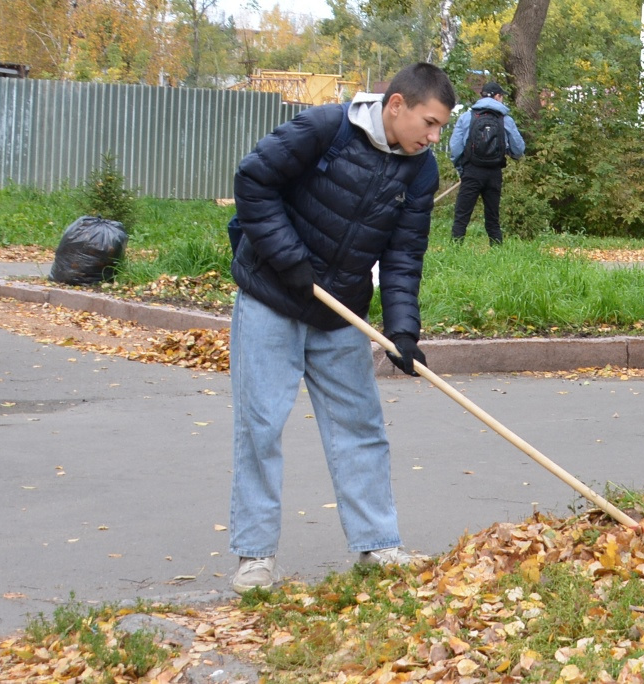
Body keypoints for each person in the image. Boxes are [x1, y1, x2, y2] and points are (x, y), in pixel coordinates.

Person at [227, 63, 456, 594]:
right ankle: (255, 558)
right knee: (260, 428)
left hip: (339, 311)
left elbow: (403, 256)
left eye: (440, 127)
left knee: (360, 427)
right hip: (270, 296)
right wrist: (288, 260)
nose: (434, 136)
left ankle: (378, 545)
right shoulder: (324, 127)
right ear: (395, 105)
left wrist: (403, 332)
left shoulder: (420, 171)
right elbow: (253, 180)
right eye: (429, 122)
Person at [449, 81, 525, 244]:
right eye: (501, 96)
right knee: (493, 217)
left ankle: (454, 250)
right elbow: (519, 148)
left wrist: (461, 168)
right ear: (497, 96)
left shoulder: (467, 117)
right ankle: (496, 252)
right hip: (494, 172)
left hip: (471, 170)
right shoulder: (505, 120)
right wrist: (512, 155)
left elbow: (455, 147)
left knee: (461, 216)